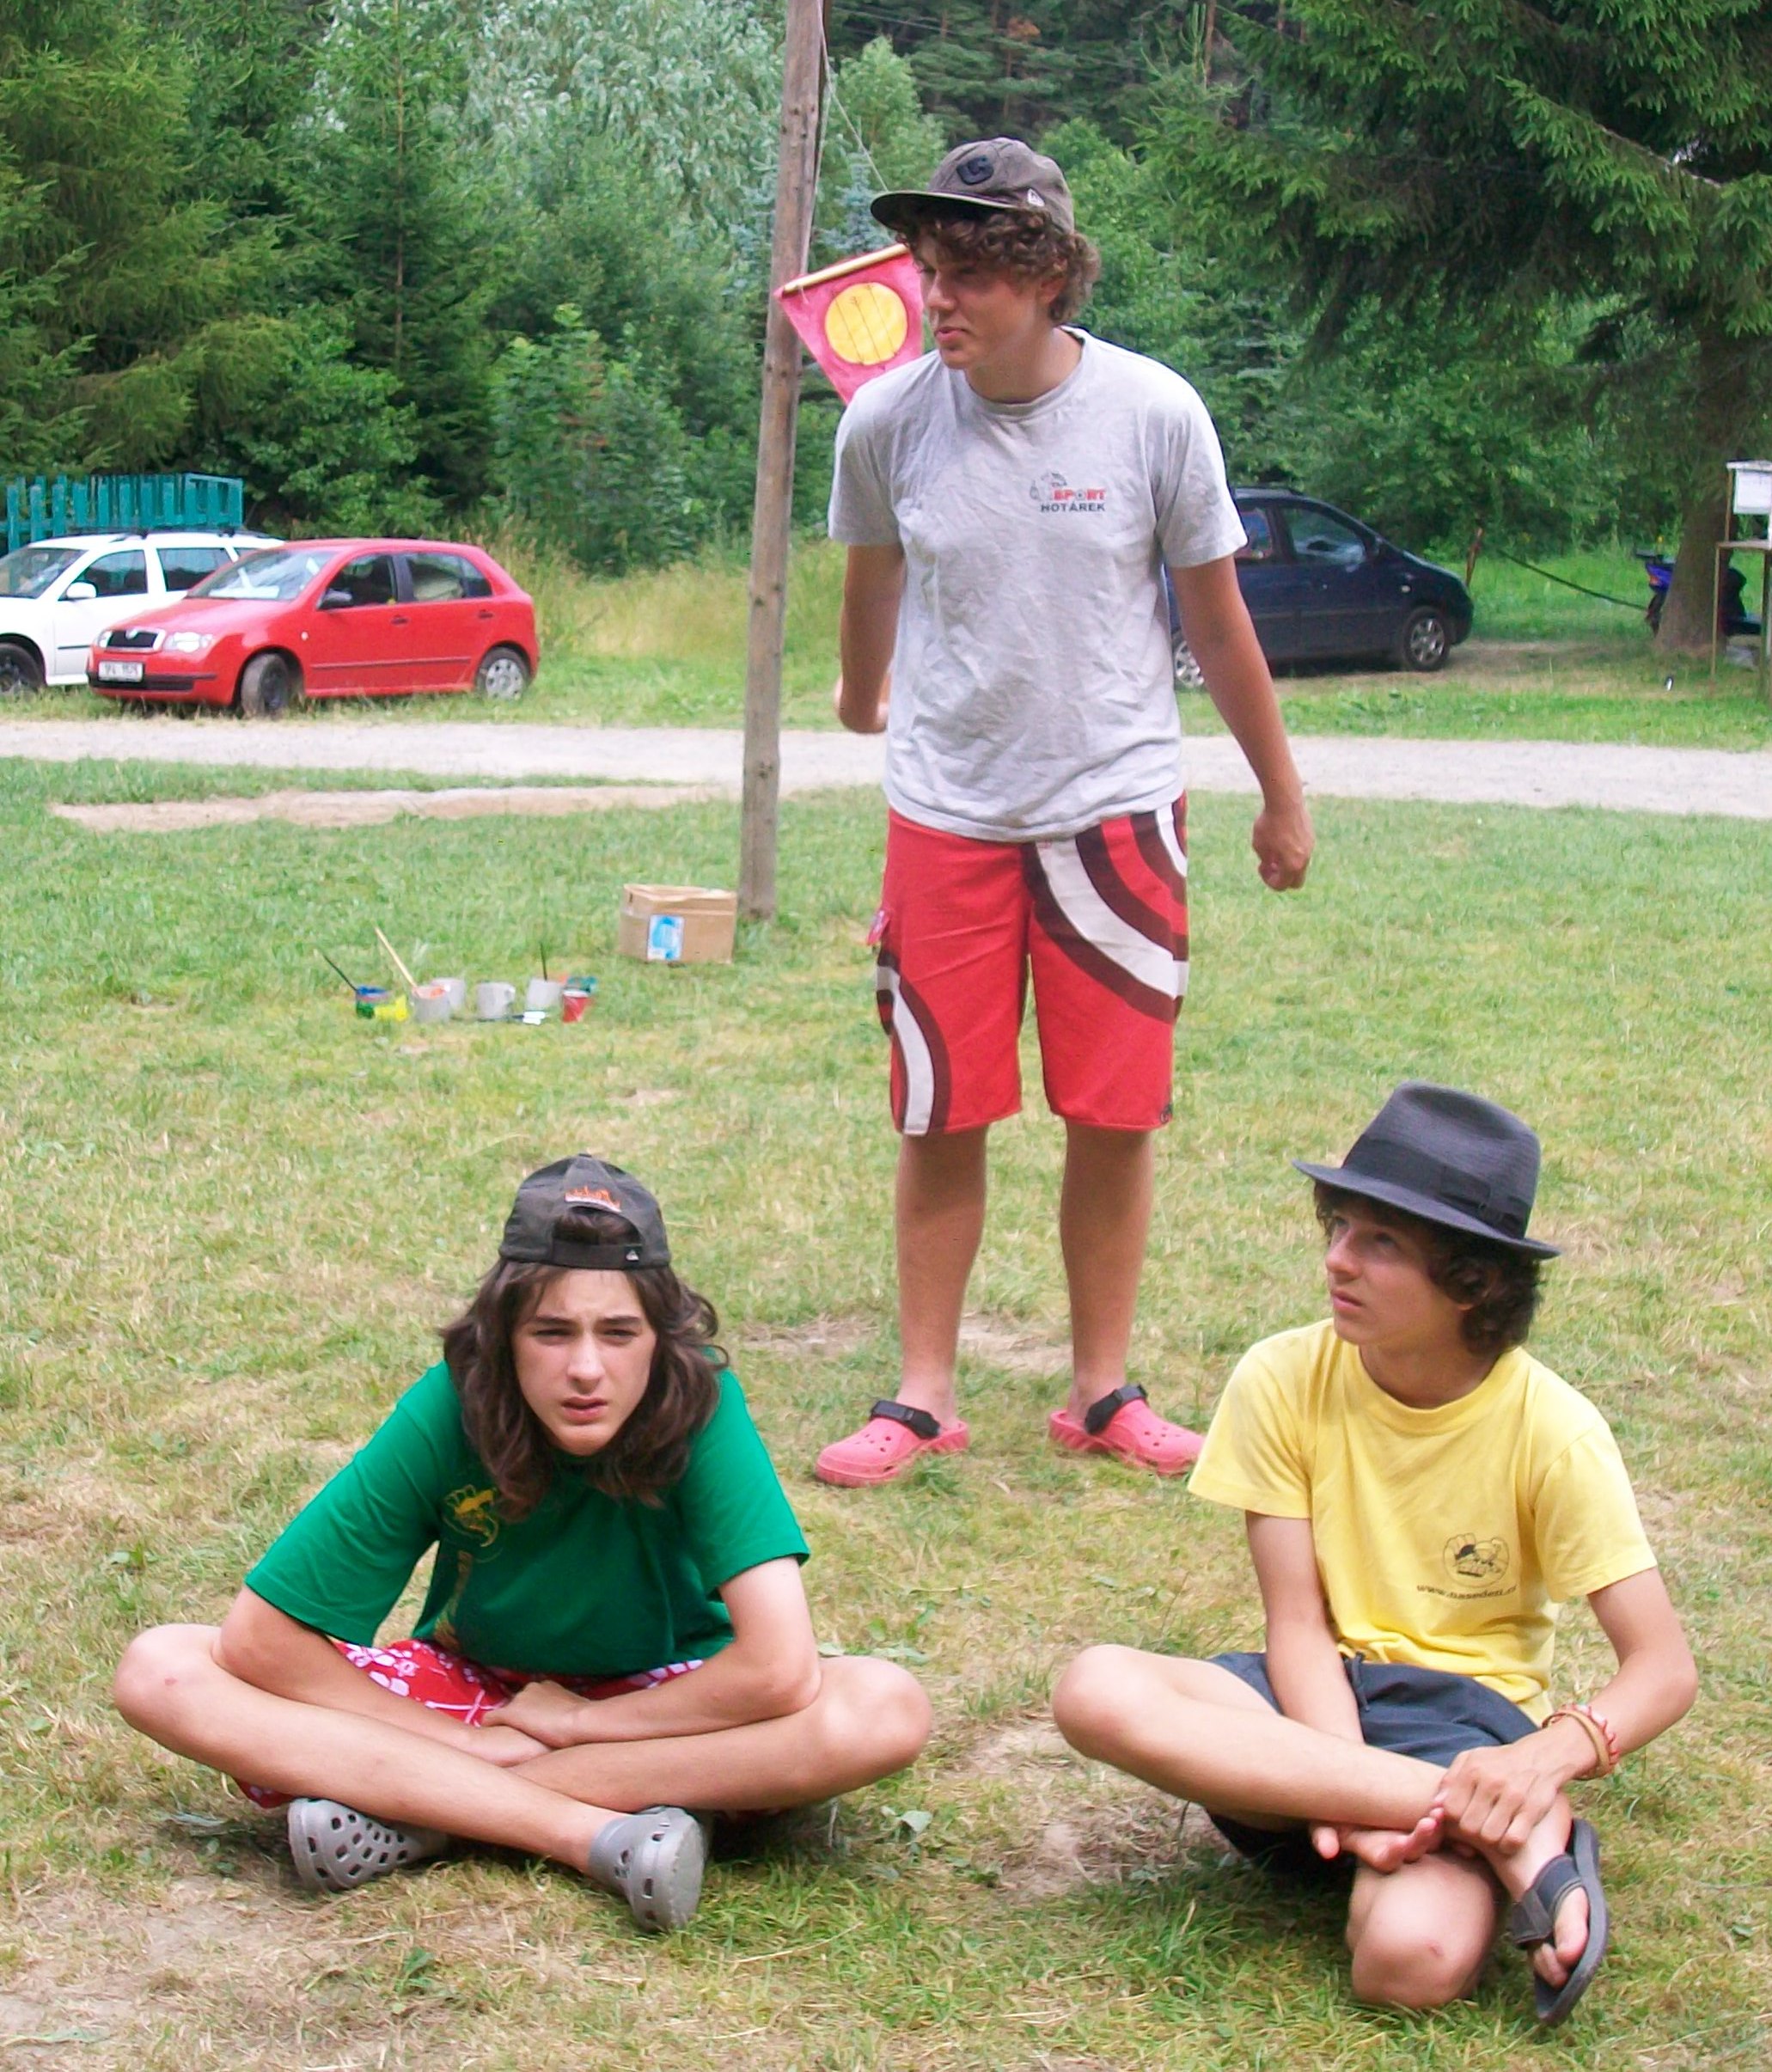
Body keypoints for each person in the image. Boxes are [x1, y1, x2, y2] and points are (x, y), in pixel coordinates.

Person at [816, 137, 1314, 1488]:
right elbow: (870, 579)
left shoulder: (1153, 414)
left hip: (1115, 815)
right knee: (939, 1107)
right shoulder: (887, 422)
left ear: (1047, 276)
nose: (938, 299)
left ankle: (1102, 1390)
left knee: (1113, 1111)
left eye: (969, 274)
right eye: (931, 271)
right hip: (947, 816)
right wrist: (860, 696)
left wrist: (1279, 795)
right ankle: (924, 1394)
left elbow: (1215, 620)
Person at [114, 1157, 932, 1931]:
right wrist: (468, 1743)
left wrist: (579, 1723)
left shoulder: (702, 1402)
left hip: (669, 1710)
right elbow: (261, 1637)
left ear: (662, 1338)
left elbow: (778, 1669)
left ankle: (420, 1811)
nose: (586, 1368)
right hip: (480, 1696)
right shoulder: (456, 1399)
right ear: (502, 1335)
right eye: (551, 1332)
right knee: (164, 1668)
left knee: (884, 1705)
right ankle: (599, 1831)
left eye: (619, 1332)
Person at [1052, 1085, 1696, 2025]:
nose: (1337, 1258)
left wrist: (1537, 1760)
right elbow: (1296, 1622)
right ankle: (1517, 1842)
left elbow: (1663, 1667)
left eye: (1381, 1241)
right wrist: (1346, 1788)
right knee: (1096, 1686)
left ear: (1473, 1282)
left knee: (1404, 1963)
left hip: (1464, 1720)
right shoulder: (1280, 1375)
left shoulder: (1554, 1429)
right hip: (1309, 1706)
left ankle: (1485, 1814)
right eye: (1339, 1225)